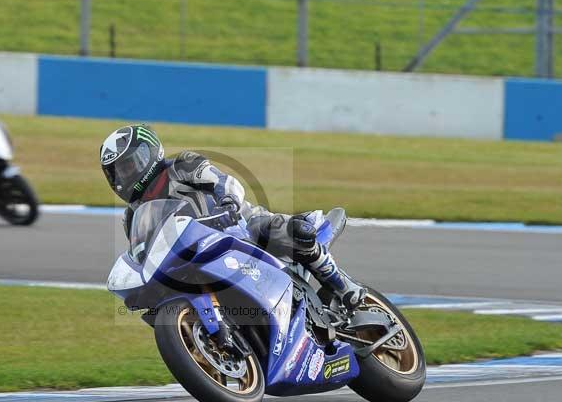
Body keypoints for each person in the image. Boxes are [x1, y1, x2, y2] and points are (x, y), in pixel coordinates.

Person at [99, 124, 367, 311]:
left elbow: (225, 182)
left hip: (236, 227)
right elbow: (143, 252)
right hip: (188, 257)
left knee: (281, 230)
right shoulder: (132, 216)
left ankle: (344, 287)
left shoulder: (181, 166)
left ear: (149, 153)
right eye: (117, 173)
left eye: (129, 165)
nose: (125, 176)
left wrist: (228, 204)